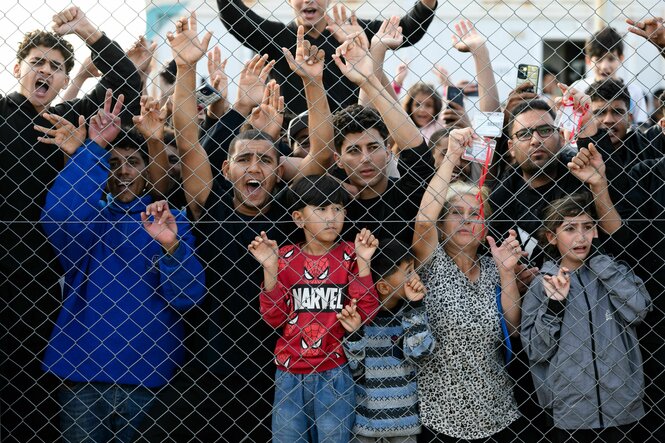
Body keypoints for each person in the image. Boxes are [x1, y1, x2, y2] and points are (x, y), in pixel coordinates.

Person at [162, 14, 336, 441]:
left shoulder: (287, 208)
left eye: (264, 159)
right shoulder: (211, 199)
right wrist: (186, 68)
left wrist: (313, 82)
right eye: (243, 159)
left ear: (280, 171)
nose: (254, 167)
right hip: (210, 362)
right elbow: (186, 139)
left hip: (278, 364)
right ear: (226, 168)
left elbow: (322, 153)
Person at [0, 6, 141, 441]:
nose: (45, 71)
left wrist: (87, 32)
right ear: (18, 68)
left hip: (39, 277)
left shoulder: (64, 122)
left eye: (56, 67)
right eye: (37, 62)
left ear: (64, 81)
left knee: (28, 391)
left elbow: (128, 87)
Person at [36, 96, 205, 442]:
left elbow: (188, 296)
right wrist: (94, 147)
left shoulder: (171, 220)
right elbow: (61, 216)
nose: (124, 171)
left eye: (133, 162)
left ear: (147, 170)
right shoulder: (91, 222)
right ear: (103, 171)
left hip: (151, 376)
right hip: (84, 376)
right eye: (113, 163)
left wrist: (171, 246)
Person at [412, 127, 523, 442]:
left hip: (496, 411)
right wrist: (450, 157)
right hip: (437, 417)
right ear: (442, 223)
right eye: (456, 213)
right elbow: (422, 221)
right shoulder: (430, 262)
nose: (466, 220)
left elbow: (513, 327)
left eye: (475, 214)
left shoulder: (494, 266)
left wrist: (507, 274)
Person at [249, 174, 380, 442]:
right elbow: (273, 317)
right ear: (299, 218)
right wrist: (270, 268)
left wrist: (364, 261)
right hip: (289, 371)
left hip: (334, 370)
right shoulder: (284, 257)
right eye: (321, 209)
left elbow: (367, 311)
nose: (331, 217)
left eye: (338, 208)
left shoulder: (349, 254)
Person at [521, 193, 651, 443]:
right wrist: (554, 306)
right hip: (570, 411)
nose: (580, 237)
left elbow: (638, 311)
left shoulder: (613, 272)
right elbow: (535, 349)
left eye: (588, 227)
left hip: (622, 405)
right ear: (551, 236)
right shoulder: (542, 284)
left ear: (596, 232)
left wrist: (602, 266)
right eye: (569, 228)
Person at [217, 0, 438, 114]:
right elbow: (237, 18)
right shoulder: (279, 37)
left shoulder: (353, 31)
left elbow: (407, 31)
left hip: (350, 134)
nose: (309, 0)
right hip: (294, 137)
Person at [331, 29, 435, 245]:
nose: (366, 158)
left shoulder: (408, 193)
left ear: (388, 151)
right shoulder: (329, 205)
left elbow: (416, 149)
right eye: (353, 150)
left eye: (373, 147)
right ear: (337, 160)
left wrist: (369, 78)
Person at [343, 240, 436, 442]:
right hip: (365, 425)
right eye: (409, 272)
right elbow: (354, 368)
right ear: (384, 287)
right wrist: (355, 333)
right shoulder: (359, 319)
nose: (417, 277)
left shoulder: (410, 315)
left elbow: (421, 352)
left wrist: (415, 307)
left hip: (405, 424)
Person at [571, 26, 648, 125]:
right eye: (599, 59)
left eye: (611, 59)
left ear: (621, 58)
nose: (604, 66)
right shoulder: (578, 88)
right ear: (588, 60)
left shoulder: (634, 91)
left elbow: (641, 125)